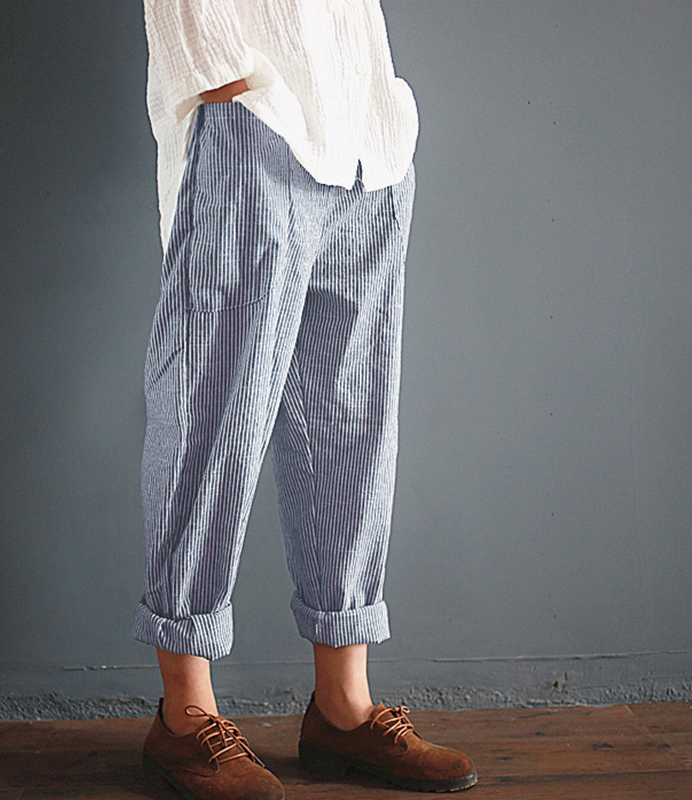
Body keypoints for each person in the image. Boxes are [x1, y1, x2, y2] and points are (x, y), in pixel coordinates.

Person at [131, 2, 477, 798]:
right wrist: (226, 83)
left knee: (352, 425)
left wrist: (380, 103)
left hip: (366, 137)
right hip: (252, 114)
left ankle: (342, 711)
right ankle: (184, 717)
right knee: (211, 415)